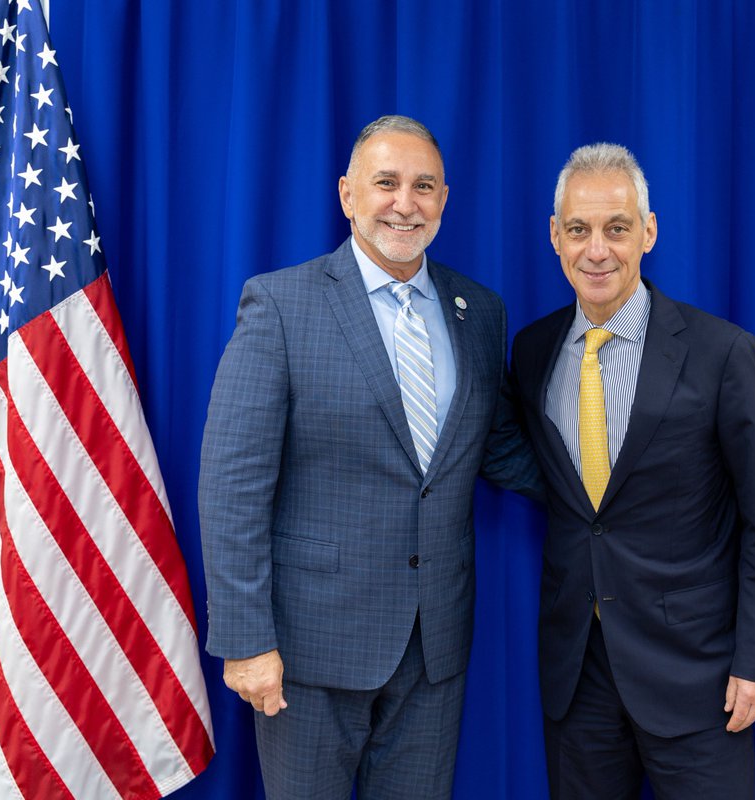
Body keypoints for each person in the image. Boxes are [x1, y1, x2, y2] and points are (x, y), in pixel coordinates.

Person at [199, 115, 540, 799]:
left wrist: (620, 479)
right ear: (348, 194)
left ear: (444, 199)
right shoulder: (281, 304)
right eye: (385, 183)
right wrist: (245, 639)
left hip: (434, 648)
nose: (404, 204)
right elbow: (232, 483)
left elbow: (499, 448)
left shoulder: (482, 312)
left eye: (423, 186)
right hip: (307, 653)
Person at [509, 143, 755, 799]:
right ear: (556, 237)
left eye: (616, 228)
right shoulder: (531, 353)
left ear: (649, 231)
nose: (597, 250)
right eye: (579, 229)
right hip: (576, 676)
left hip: (698, 679)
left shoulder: (723, 354)